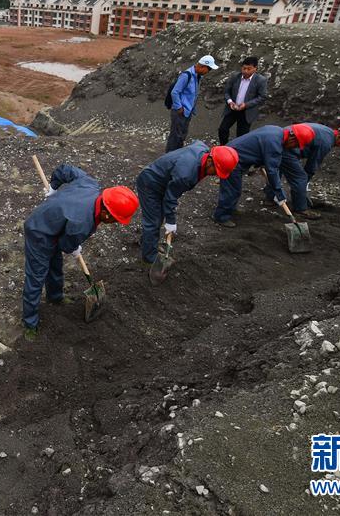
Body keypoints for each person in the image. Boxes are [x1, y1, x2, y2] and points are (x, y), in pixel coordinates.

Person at [23, 165, 139, 339]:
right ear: (107, 213)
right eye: (115, 219)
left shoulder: (90, 184)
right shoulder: (82, 221)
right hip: (39, 231)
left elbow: (65, 170)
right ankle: (29, 324)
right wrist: (74, 246)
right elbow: (65, 244)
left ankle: (55, 297)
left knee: (55, 264)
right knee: (36, 276)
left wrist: (55, 187)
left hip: (56, 225)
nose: (114, 223)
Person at [136, 143, 239, 264]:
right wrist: (171, 222)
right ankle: (149, 256)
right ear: (210, 161)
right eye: (216, 171)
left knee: (158, 216)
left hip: (163, 181)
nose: (216, 175)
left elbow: (196, 142)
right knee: (153, 220)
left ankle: (147, 243)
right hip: (150, 183)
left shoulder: (203, 150)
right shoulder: (186, 175)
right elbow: (170, 198)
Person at [211, 124, 316, 228]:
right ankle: (221, 217)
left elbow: (260, 147)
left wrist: (259, 162)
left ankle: (230, 209)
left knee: (234, 188)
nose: (294, 148)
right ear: (293, 138)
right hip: (229, 159)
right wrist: (279, 193)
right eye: (296, 145)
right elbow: (272, 171)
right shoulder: (274, 144)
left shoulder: (276, 131)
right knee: (232, 190)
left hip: (234, 154)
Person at [268, 123, 340, 219]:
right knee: (300, 178)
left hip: (278, 139)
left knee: (278, 168)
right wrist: (304, 186)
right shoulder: (326, 142)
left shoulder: (326, 131)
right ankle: (300, 209)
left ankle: (270, 196)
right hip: (287, 147)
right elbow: (312, 165)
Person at [164, 55, 219, 152]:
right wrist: (179, 107)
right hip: (180, 111)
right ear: (203, 66)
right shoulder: (187, 75)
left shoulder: (197, 76)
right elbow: (175, 92)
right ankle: (169, 156)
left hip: (187, 111)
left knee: (182, 134)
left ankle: (177, 154)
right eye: (209, 69)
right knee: (175, 135)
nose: (208, 72)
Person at [218, 56, 268, 145]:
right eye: (244, 68)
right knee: (222, 129)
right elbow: (226, 91)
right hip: (232, 108)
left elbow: (262, 97)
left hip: (246, 111)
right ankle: (223, 148)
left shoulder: (261, 80)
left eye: (249, 69)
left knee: (241, 136)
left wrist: (246, 105)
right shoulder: (235, 76)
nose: (245, 71)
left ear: (255, 69)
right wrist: (230, 102)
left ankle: (238, 153)